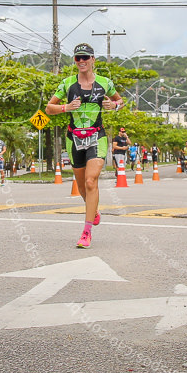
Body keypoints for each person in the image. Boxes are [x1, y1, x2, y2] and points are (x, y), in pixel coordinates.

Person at [46, 43, 124, 249]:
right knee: (81, 186)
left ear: (93, 60)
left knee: (91, 182)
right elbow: (48, 108)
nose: (81, 61)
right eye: (77, 58)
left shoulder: (105, 83)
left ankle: (86, 232)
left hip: (96, 136)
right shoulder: (67, 84)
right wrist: (66, 107)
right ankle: (94, 211)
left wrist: (113, 105)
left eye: (85, 57)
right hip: (74, 138)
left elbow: (120, 101)